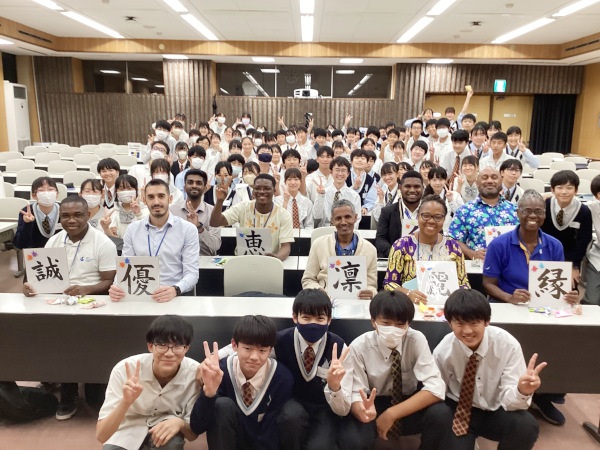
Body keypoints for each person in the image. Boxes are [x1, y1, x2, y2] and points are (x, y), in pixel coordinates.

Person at [23, 196, 117, 420]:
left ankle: (88, 383)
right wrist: (29, 287)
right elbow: (38, 277)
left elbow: (109, 281)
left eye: (77, 215)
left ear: (88, 215)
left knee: (80, 341)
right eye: (65, 216)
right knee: (53, 336)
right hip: (59, 302)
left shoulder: (103, 243)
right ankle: (67, 387)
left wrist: (87, 289)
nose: (71, 220)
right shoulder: (54, 241)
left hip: (93, 304)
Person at [329, 290, 449, 449]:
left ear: (408, 324)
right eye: (386, 323)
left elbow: (436, 388)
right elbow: (355, 393)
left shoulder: (416, 340)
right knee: (353, 439)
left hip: (407, 403)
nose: (393, 329)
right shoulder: (359, 346)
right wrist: (363, 411)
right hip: (373, 402)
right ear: (373, 322)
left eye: (400, 324)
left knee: (441, 414)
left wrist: (392, 413)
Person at [432, 289, 545, 449]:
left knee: (525, 425)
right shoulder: (443, 350)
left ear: (487, 321)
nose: (467, 331)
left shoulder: (507, 345)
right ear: (449, 323)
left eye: (474, 323)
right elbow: (437, 391)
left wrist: (522, 391)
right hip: (459, 410)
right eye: (460, 323)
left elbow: (511, 401)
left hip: (496, 408)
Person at [96, 315, 202, 450]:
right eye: (162, 345)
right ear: (150, 346)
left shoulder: (194, 373)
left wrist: (180, 423)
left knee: (172, 445)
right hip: (127, 429)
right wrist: (125, 402)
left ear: (186, 348)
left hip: (165, 430)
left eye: (177, 346)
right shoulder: (124, 369)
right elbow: (101, 435)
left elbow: (192, 435)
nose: (169, 353)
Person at [190, 316, 294, 450]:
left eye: (262, 350)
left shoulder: (282, 377)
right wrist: (209, 393)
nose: (254, 357)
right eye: (248, 349)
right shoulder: (220, 372)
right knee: (222, 405)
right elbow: (197, 427)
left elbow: (271, 432)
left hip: (263, 444)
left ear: (270, 350)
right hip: (229, 441)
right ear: (234, 345)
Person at [109, 179, 200, 301]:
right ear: (144, 200)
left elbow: (192, 273)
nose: (156, 202)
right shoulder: (133, 229)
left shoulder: (187, 229)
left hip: (174, 296)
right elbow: (124, 266)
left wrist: (175, 289)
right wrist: (116, 286)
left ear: (170, 199)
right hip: (140, 295)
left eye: (161, 196)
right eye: (151, 197)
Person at [383, 195, 470, 302]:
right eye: (426, 216)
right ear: (418, 216)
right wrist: (408, 293)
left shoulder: (453, 246)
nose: (431, 221)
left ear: (444, 219)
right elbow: (389, 284)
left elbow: (463, 283)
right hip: (410, 304)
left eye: (438, 217)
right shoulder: (402, 245)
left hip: (447, 305)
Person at [301, 199, 378, 299]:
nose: (343, 222)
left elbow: (372, 285)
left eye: (348, 217)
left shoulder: (370, 249)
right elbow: (308, 280)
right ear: (332, 221)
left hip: (357, 300)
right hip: (325, 301)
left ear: (355, 217)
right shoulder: (319, 245)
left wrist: (371, 293)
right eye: (338, 218)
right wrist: (318, 291)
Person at [210, 173, 294, 261]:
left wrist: (277, 258)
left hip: (270, 261)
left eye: (266, 188)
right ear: (253, 191)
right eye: (257, 188)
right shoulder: (243, 207)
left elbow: (286, 246)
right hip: (243, 260)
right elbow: (215, 222)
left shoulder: (283, 214)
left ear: (274, 191)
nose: (262, 191)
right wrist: (220, 201)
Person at [448, 168, 519, 261]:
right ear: (477, 183)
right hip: (476, 267)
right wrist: (471, 253)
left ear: (501, 182)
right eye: (484, 178)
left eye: (494, 177)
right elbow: (453, 240)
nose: (489, 181)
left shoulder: (515, 211)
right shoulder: (464, 211)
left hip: (508, 266)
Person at [542, 170, 592, 289]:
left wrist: (574, 266)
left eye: (569, 188)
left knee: (569, 290)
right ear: (552, 190)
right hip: (544, 255)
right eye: (559, 188)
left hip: (570, 259)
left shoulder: (584, 211)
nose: (564, 192)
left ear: (576, 190)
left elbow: (583, 241)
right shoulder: (544, 205)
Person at [170, 169, 222, 256]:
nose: (194, 186)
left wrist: (199, 227)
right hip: (178, 260)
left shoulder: (213, 212)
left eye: (198, 183)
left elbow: (216, 245)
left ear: (205, 188)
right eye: (190, 182)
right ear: (184, 187)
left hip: (204, 259)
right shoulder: (172, 211)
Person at [375, 171, 424, 258]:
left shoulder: (430, 211)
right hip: (396, 260)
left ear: (423, 188)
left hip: (424, 260)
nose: (412, 190)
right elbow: (380, 239)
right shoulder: (387, 212)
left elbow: (438, 235)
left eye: (417, 186)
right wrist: (396, 254)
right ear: (400, 188)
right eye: (407, 186)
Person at [313, 157, 362, 228]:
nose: (340, 173)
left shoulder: (354, 196)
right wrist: (320, 195)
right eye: (337, 170)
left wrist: (349, 231)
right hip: (325, 229)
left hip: (346, 230)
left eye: (343, 170)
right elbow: (317, 215)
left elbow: (357, 219)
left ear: (348, 173)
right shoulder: (324, 192)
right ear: (331, 173)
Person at [14, 177, 61, 250]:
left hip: (61, 251)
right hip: (35, 252)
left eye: (50, 189)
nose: (46, 193)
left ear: (57, 194)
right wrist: (27, 224)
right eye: (41, 190)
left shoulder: (65, 210)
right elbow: (20, 244)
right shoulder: (27, 212)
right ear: (34, 196)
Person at [102, 175, 148, 239]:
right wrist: (107, 229)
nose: (125, 191)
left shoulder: (146, 210)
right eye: (121, 189)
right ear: (116, 192)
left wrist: (138, 214)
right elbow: (113, 238)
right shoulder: (113, 211)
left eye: (129, 188)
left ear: (136, 190)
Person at [423, 167, 464, 233]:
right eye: (434, 180)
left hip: (450, 233)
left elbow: (462, 215)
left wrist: (451, 201)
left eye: (441, 179)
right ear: (429, 181)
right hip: (430, 233)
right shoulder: (424, 198)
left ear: (445, 180)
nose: (437, 183)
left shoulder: (455, 195)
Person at [583, 175, 600, 305]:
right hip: (598, 258)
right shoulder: (592, 207)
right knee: (592, 301)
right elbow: (571, 205)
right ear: (597, 196)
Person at [347, 149, 377, 215]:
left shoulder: (371, 180)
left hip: (362, 213)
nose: (360, 160)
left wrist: (365, 207)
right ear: (351, 162)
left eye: (363, 158)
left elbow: (371, 200)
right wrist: (354, 187)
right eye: (357, 158)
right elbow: (341, 195)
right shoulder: (345, 176)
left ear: (367, 163)